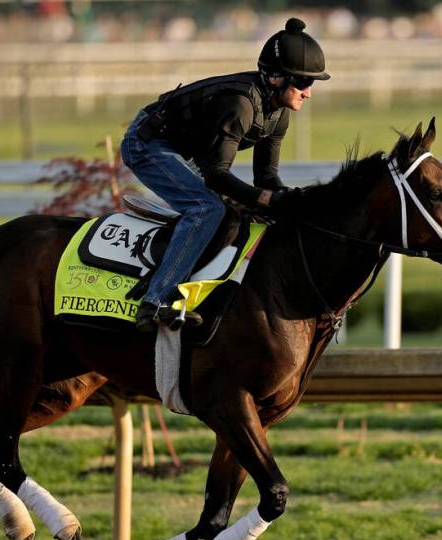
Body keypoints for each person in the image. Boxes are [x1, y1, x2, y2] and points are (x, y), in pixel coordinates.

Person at [120, 17, 330, 333]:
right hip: (147, 142)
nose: (308, 93)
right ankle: (156, 302)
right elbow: (217, 176)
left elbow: (267, 178)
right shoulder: (241, 105)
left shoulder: (278, 116)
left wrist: (287, 200)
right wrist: (267, 199)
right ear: (276, 79)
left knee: (233, 215)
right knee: (207, 209)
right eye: (302, 83)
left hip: (186, 149)